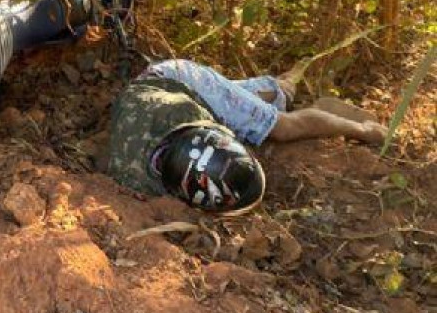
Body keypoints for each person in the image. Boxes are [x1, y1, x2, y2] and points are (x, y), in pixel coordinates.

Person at [107, 58, 388, 215]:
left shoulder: (192, 112)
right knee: (250, 105)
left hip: (179, 80)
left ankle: (359, 127)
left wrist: (366, 132)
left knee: (282, 127)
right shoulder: (133, 176)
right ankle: (277, 88)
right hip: (155, 93)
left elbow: (219, 132)